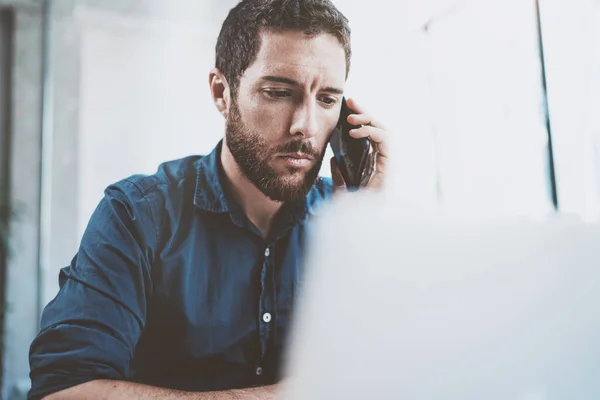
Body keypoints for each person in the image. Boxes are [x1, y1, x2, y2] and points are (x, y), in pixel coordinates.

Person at [28, 0, 390, 398]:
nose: (304, 125)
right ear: (222, 92)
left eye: (326, 100)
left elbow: (379, 372)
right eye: (277, 92)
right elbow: (62, 390)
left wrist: (362, 231)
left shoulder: (343, 219)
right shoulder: (137, 214)